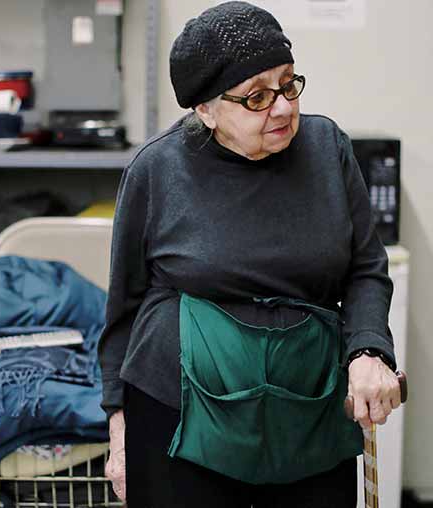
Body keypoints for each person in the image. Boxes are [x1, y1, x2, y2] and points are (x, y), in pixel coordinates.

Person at [97, 2, 403, 507]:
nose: (282, 107)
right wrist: (118, 430)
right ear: (205, 109)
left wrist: (369, 348)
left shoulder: (328, 149)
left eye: (287, 84)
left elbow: (366, 269)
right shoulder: (157, 170)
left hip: (310, 413)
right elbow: (123, 310)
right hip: (178, 419)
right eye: (256, 97)